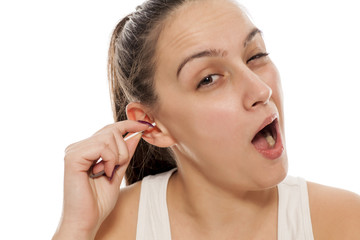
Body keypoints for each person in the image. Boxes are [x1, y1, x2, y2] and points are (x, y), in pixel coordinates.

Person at [52, 0, 360, 239]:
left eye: (255, 56)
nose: (261, 90)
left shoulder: (345, 222)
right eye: (209, 78)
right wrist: (76, 229)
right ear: (152, 124)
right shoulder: (108, 229)